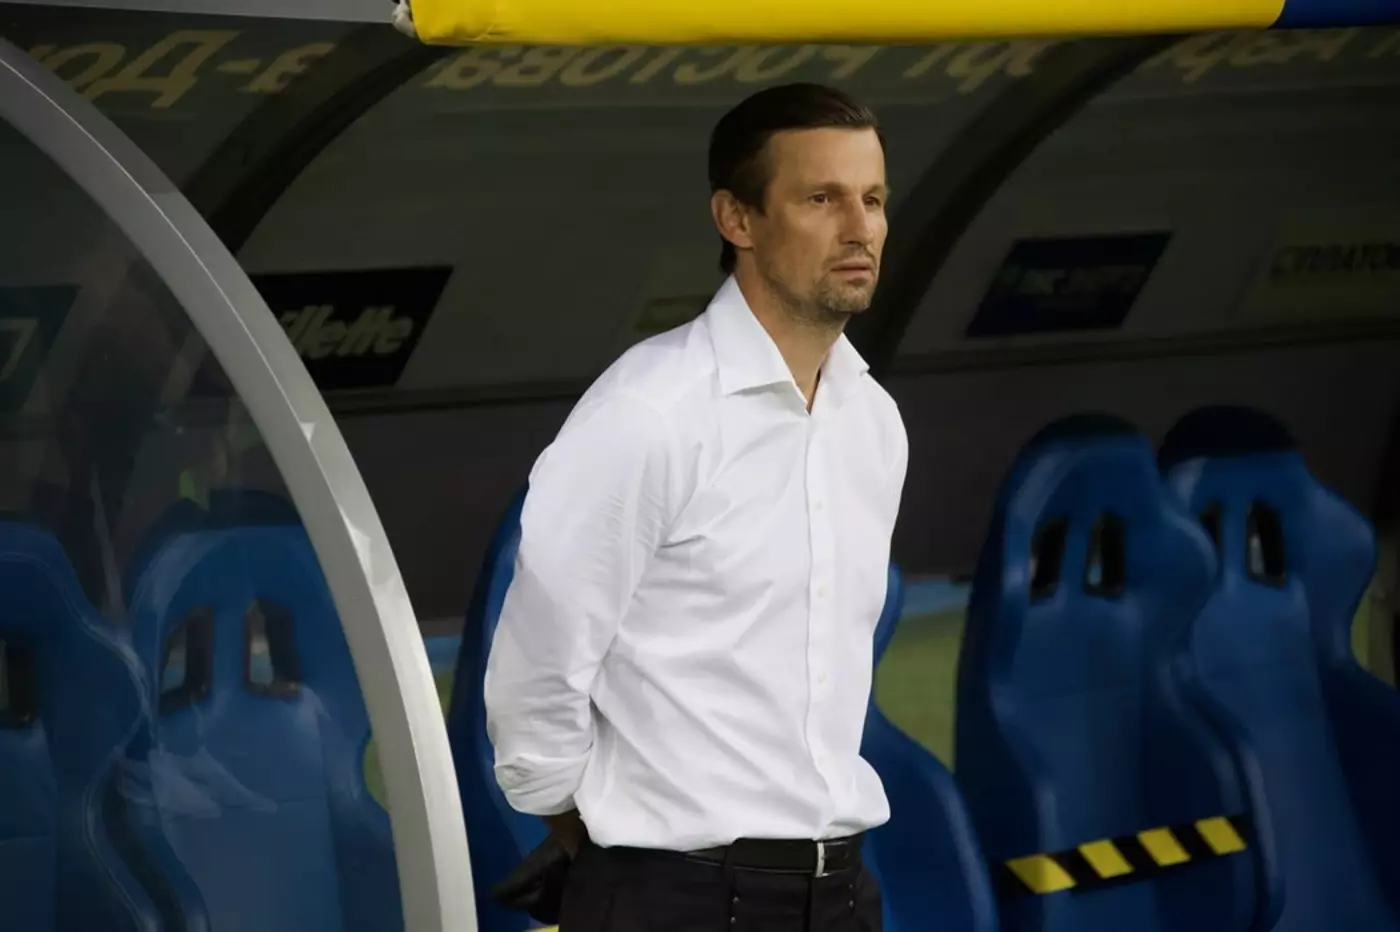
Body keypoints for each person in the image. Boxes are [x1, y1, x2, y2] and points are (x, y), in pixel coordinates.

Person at [484, 82, 907, 932]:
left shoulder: (873, 420)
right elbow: (539, 668)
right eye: (821, 199)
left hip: (840, 892)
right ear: (736, 218)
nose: (858, 228)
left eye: (872, 199)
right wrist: (604, 844)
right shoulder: (649, 412)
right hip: (671, 897)